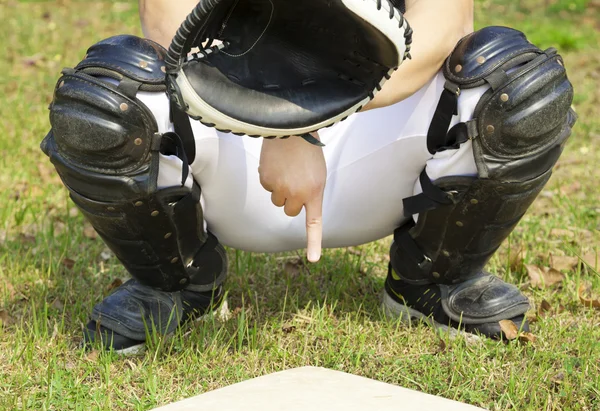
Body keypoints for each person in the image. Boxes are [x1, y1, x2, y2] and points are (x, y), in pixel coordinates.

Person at [41, 0, 575, 354]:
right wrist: (280, 126)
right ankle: (177, 284)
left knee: (515, 83)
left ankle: (433, 280)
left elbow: (446, 30)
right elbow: (170, 35)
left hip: (376, 131)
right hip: (230, 141)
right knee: (111, 94)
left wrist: (309, 118)